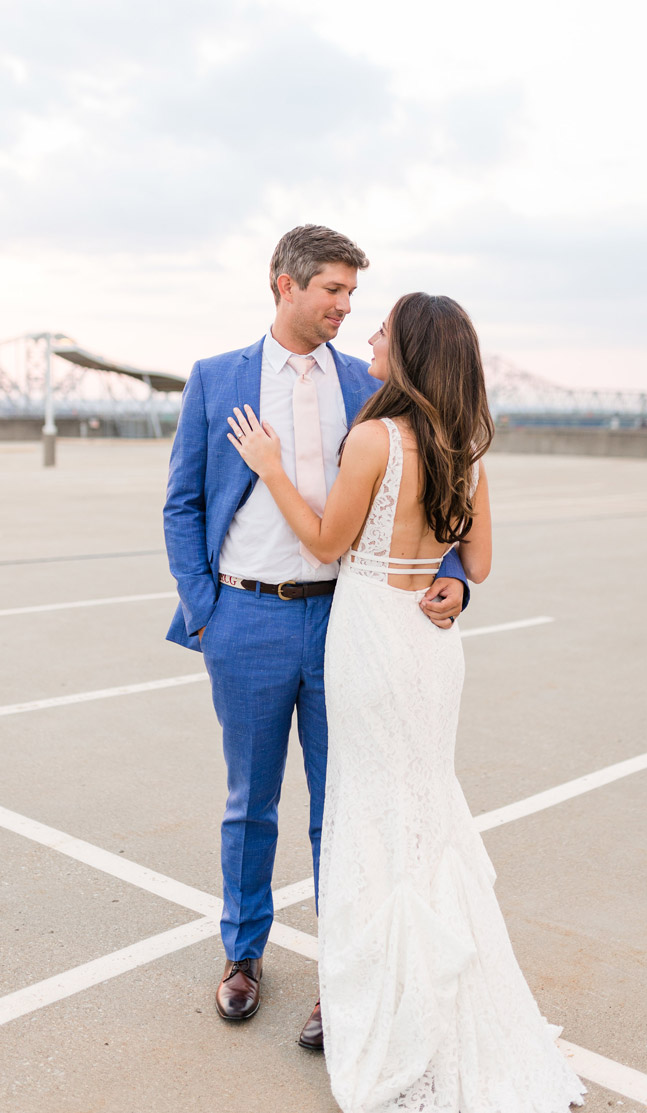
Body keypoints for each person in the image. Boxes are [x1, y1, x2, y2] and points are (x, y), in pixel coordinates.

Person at [229, 292, 586, 1113]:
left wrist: (272, 468)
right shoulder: (465, 447)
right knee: (422, 807)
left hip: (369, 637)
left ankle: (393, 1006)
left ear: (412, 349)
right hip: (429, 645)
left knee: (372, 813)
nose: (369, 336)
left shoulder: (373, 439)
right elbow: (480, 563)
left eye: (383, 329)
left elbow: (325, 542)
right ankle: (442, 985)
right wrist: (448, 584)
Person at [162, 227, 468, 1042]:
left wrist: (456, 575)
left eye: (350, 295)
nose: (343, 307)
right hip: (246, 616)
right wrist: (205, 607)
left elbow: (428, 475)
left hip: (348, 620)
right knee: (249, 802)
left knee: (346, 810)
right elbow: (182, 503)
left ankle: (346, 977)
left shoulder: (370, 383)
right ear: (283, 284)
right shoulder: (215, 378)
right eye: (331, 289)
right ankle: (242, 953)